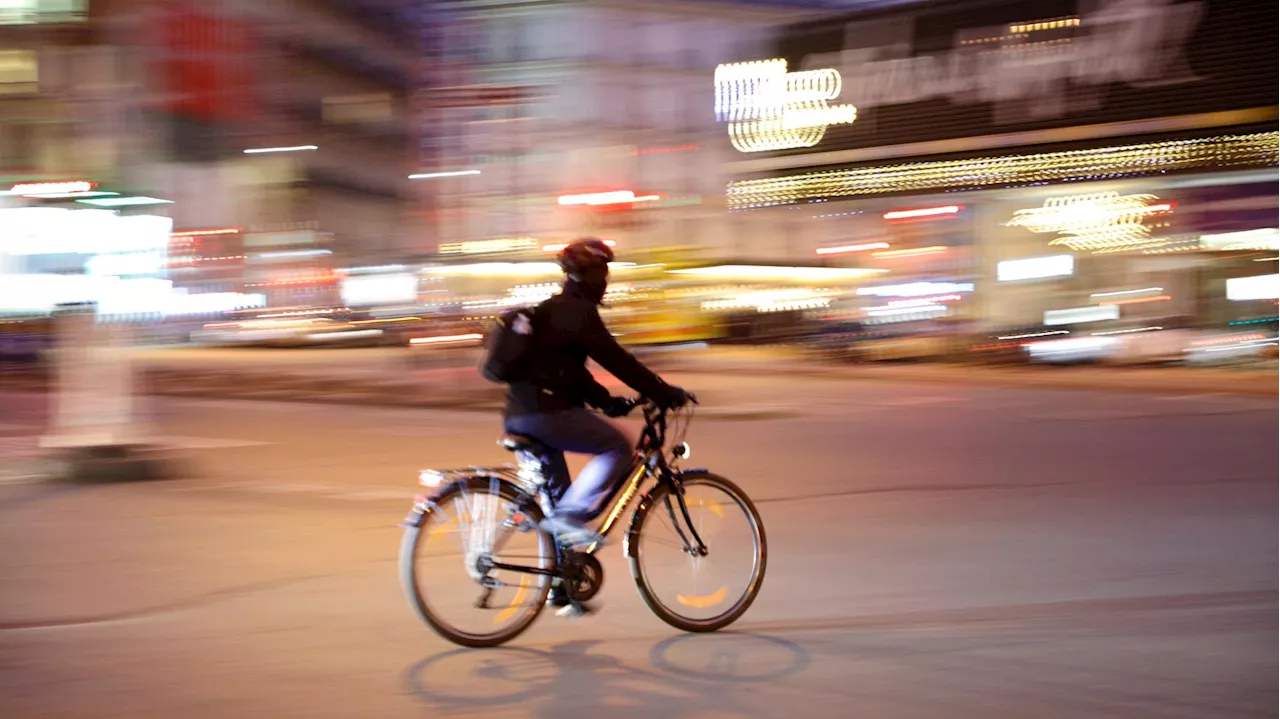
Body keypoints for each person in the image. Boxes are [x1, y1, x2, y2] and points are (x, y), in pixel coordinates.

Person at [502, 238, 691, 556]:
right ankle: (569, 518)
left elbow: (570, 371)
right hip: (548, 414)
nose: (605, 280)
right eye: (603, 272)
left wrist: (606, 402)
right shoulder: (578, 312)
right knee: (615, 448)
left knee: (559, 506)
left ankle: (561, 587)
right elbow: (616, 360)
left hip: (520, 413)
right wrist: (663, 392)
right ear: (590, 275)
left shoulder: (554, 310)